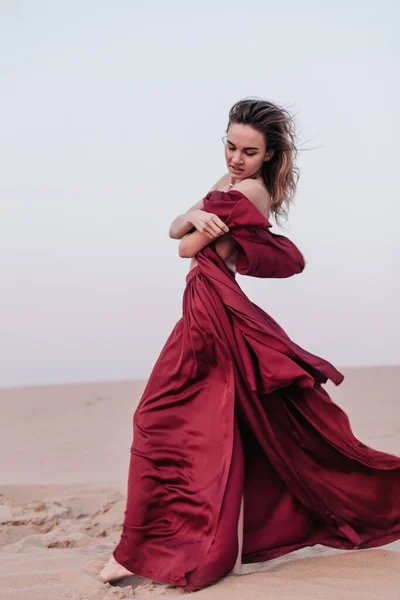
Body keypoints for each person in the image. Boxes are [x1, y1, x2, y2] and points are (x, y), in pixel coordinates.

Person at [99, 98, 400, 591]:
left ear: (268, 156)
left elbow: (183, 245)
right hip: (204, 306)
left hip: (215, 311)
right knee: (225, 429)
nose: (236, 159)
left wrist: (193, 218)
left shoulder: (251, 193)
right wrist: (194, 214)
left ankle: (148, 550)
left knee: (159, 420)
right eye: (231, 146)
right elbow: (178, 228)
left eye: (249, 151)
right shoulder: (228, 187)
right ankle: (218, 550)